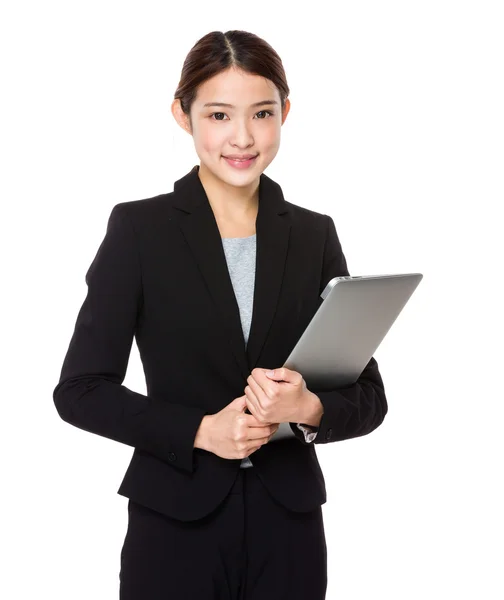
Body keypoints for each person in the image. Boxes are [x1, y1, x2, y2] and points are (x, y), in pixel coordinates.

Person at [53, 29, 388, 600]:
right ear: (183, 116)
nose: (242, 137)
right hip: (175, 522)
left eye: (261, 113)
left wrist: (306, 407)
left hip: (291, 526)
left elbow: (370, 397)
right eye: (218, 115)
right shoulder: (139, 230)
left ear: (285, 111)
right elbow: (81, 390)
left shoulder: (313, 234)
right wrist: (202, 431)